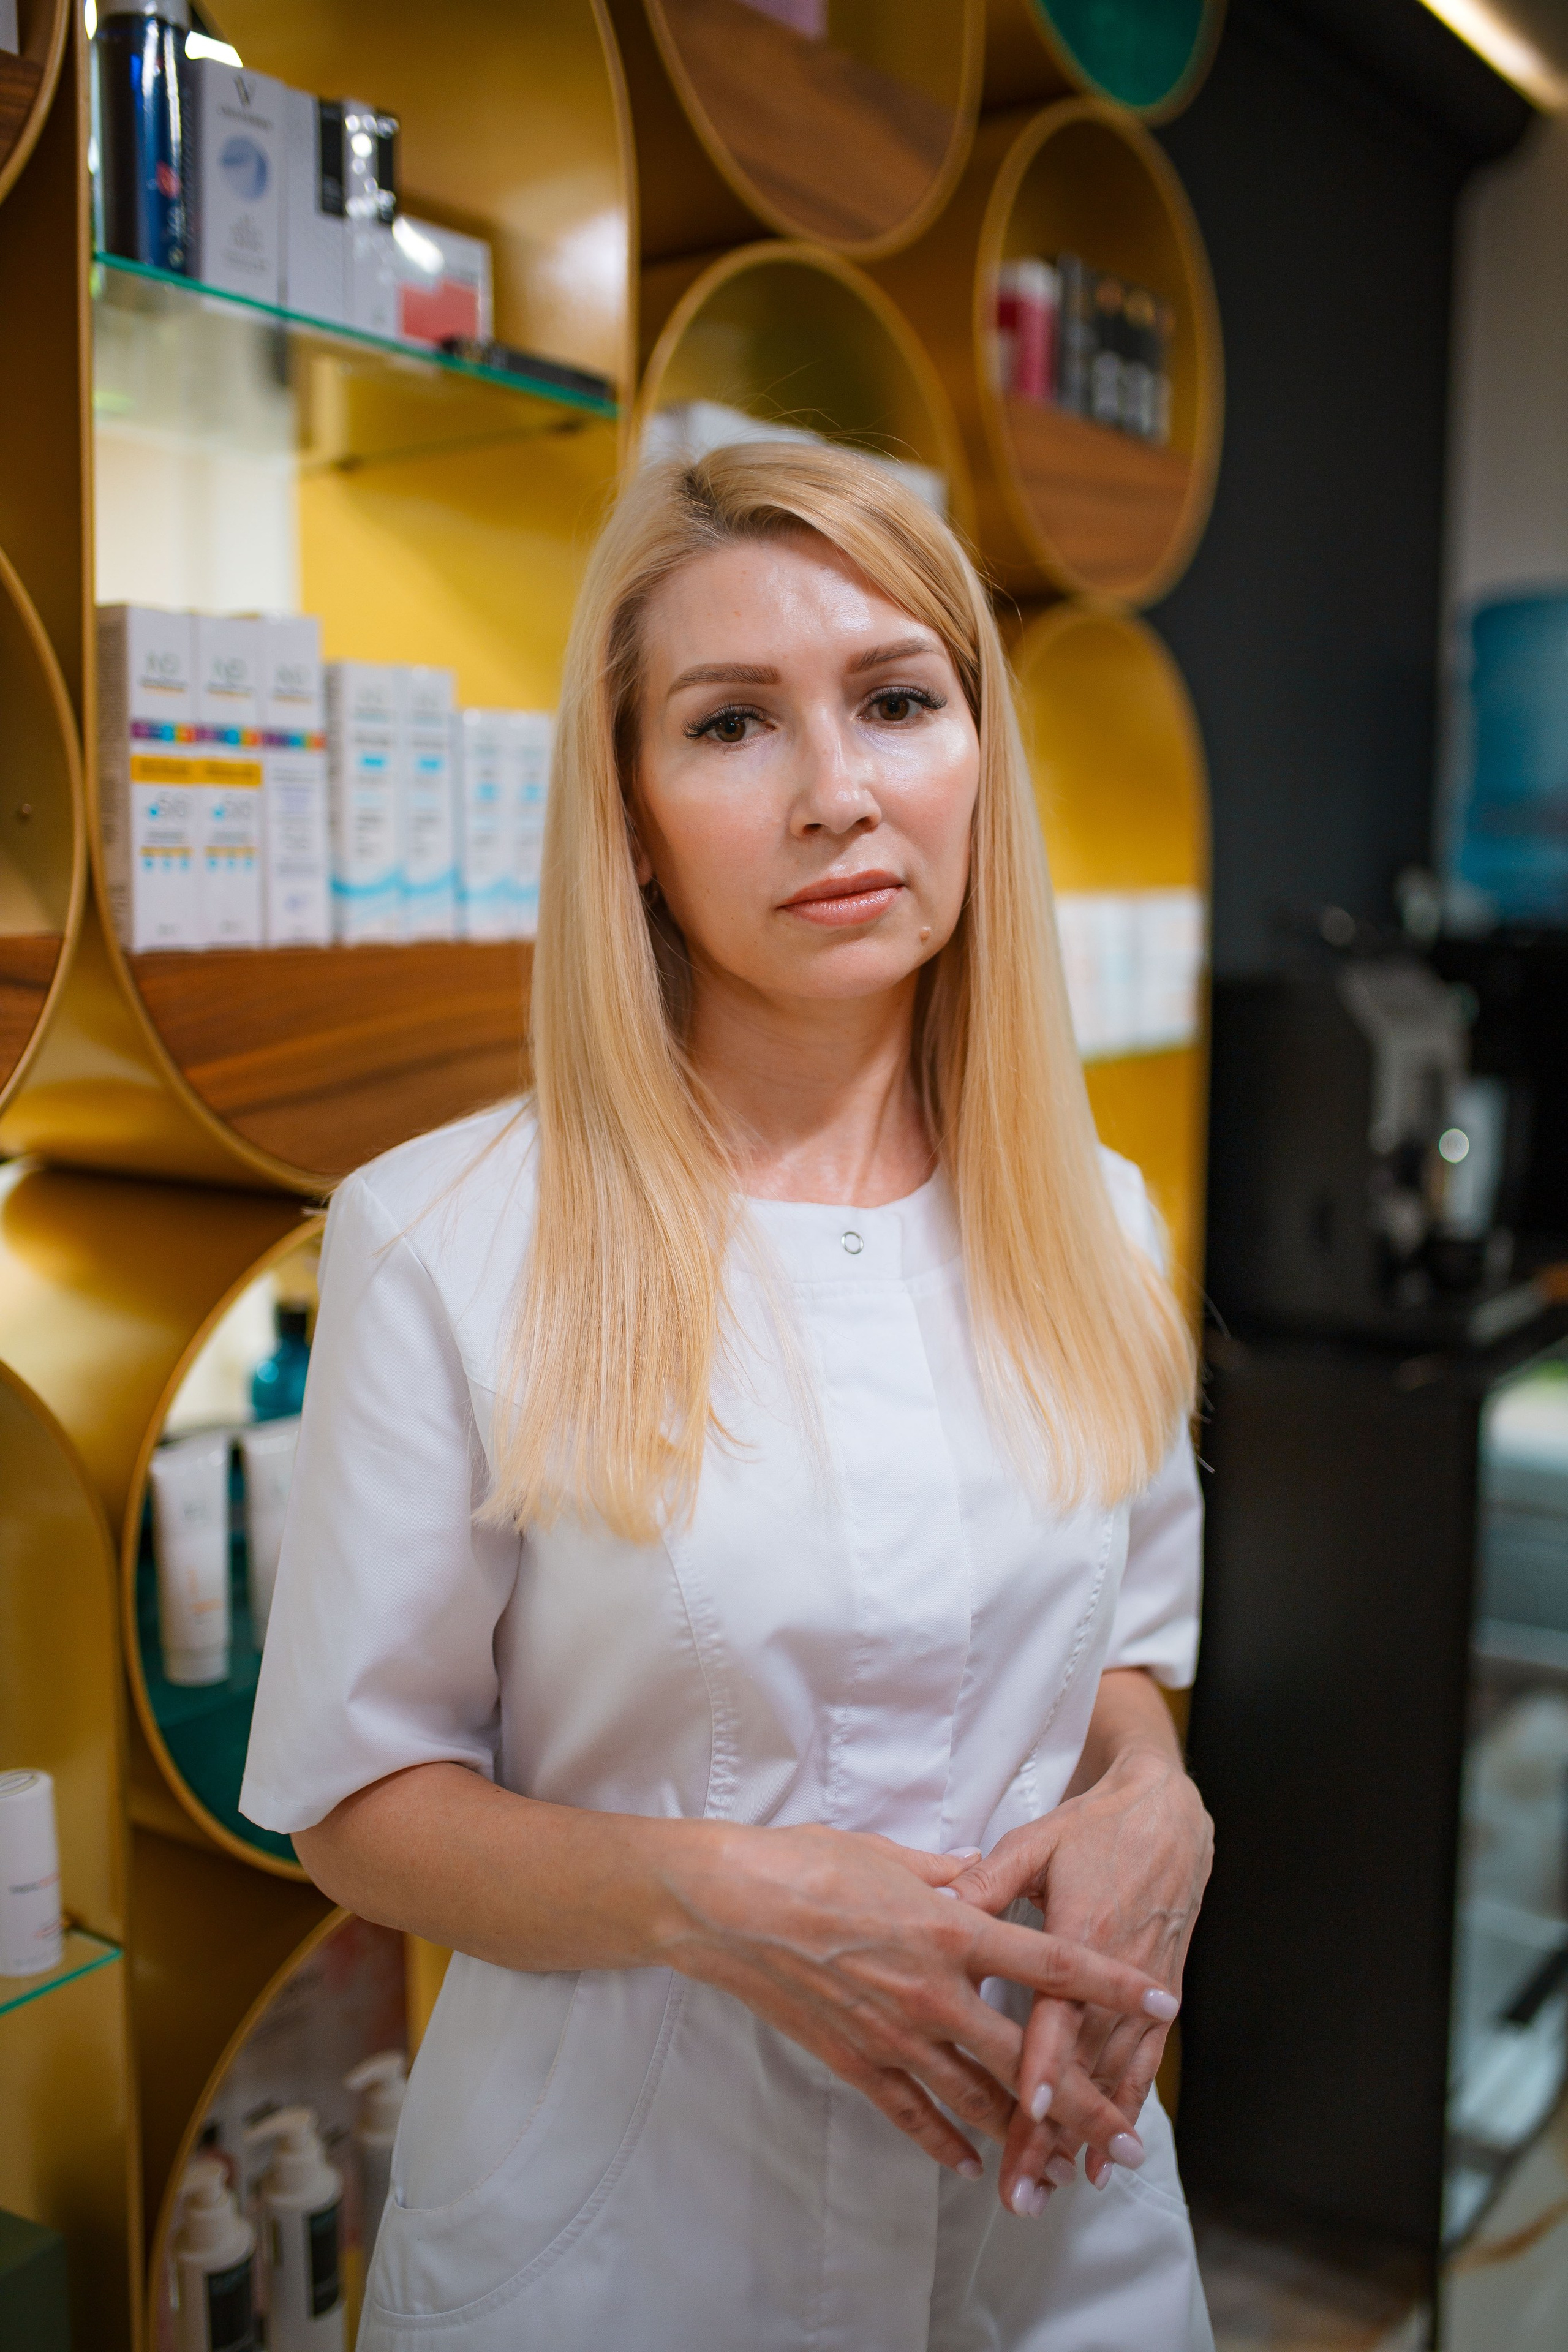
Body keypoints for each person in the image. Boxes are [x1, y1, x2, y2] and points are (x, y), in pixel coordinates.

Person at [240, 442, 1216, 2351]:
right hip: (625, 2242)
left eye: (898, 701)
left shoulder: (1097, 1218)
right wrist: (718, 1902)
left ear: (977, 756)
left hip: (1046, 2212)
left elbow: (1121, 1660)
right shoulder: (444, 1237)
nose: (838, 794)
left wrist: (1159, 1796)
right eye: (733, 724)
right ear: (629, 810)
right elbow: (357, 1803)